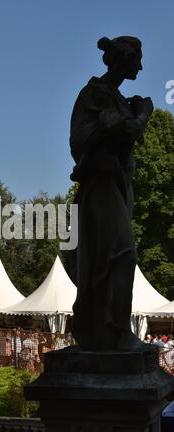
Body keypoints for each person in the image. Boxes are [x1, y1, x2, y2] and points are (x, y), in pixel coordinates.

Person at [69, 36, 154, 351]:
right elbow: (119, 131)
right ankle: (117, 333)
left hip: (117, 187)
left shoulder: (113, 97)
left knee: (111, 258)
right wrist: (142, 114)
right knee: (122, 254)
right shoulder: (96, 94)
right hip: (101, 186)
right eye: (137, 60)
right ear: (122, 59)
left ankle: (107, 331)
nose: (141, 66)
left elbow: (122, 130)